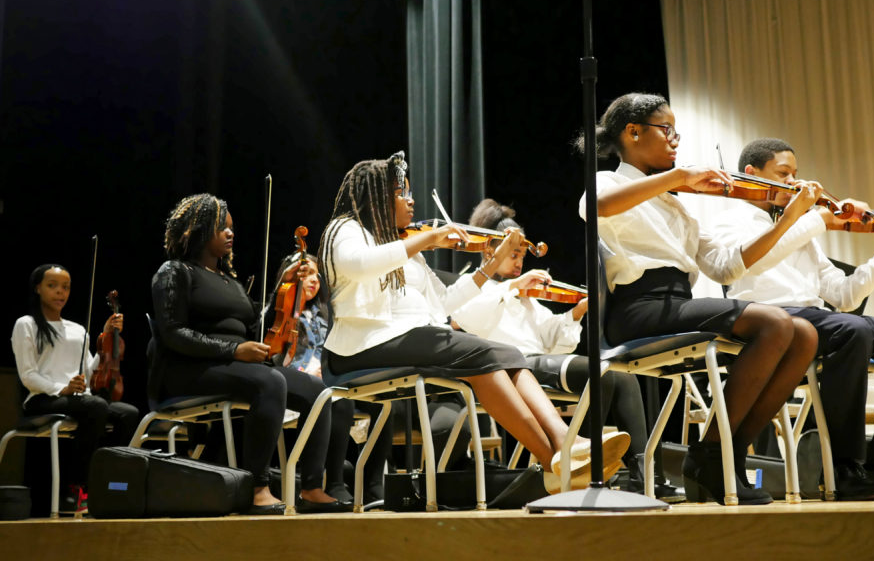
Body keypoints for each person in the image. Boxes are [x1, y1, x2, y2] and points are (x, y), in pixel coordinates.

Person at [317, 152, 630, 497]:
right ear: (377, 196)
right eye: (402, 194)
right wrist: (427, 240)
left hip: (404, 337)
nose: (412, 201)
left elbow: (446, 302)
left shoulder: (407, 247)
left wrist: (492, 262)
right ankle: (554, 456)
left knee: (501, 357)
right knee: (488, 353)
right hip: (360, 347)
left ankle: (562, 446)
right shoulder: (345, 229)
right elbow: (359, 265)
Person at [578, 93, 822, 505]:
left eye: (677, 132)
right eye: (666, 130)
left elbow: (727, 267)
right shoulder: (610, 182)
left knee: (804, 334)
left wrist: (791, 218)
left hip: (675, 305)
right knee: (776, 322)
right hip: (638, 311)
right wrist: (680, 177)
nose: (675, 140)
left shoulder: (678, 208)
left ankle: (727, 453)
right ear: (632, 133)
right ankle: (710, 456)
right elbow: (595, 207)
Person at [713, 137, 874, 499]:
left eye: (796, 174)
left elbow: (845, 296)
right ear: (752, 174)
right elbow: (754, 261)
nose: (795, 182)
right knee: (849, 330)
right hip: (770, 320)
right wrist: (816, 218)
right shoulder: (733, 219)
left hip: (818, 318)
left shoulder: (800, 228)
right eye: (783, 174)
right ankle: (842, 467)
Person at [451, 198, 683, 500]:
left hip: (539, 362)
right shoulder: (473, 286)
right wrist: (512, 287)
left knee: (620, 375)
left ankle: (644, 475)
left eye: (522, 255)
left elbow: (552, 338)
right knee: (600, 375)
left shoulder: (526, 297)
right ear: (488, 251)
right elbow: (462, 321)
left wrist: (576, 312)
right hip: (510, 369)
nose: (520, 262)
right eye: (513, 254)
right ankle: (582, 461)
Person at [151, 193, 343, 514]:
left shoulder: (229, 279)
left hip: (233, 365)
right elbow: (173, 334)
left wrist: (284, 288)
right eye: (220, 228)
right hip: (186, 370)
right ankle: (257, 486)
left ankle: (310, 487)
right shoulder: (174, 272)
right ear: (198, 229)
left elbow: (259, 323)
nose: (230, 233)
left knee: (316, 391)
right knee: (270, 383)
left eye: (231, 228)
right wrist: (234, 349)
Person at [12, 264, 140, 513]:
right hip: (41, 398)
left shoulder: (78, 330)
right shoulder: (25, 324)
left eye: (66, 287)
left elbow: (90, 372)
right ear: (38, 288)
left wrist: (104, 338)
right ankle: (76, 489)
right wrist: (63, 389)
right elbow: (28, 375)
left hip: (79, 399)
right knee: (95, 405)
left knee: (129, 413)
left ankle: (110, 485)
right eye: (53, 286)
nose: (60, 292)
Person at [266, 253, 355, 504]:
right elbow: (268, 344)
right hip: (295, 382)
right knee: (332, 396)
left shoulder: (325, 313)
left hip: (328, 380)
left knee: (358, 398)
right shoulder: (280, 310)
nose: (314, 280)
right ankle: (329, 483)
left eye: (317, 274)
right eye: (307, 274)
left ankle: (357, 483)